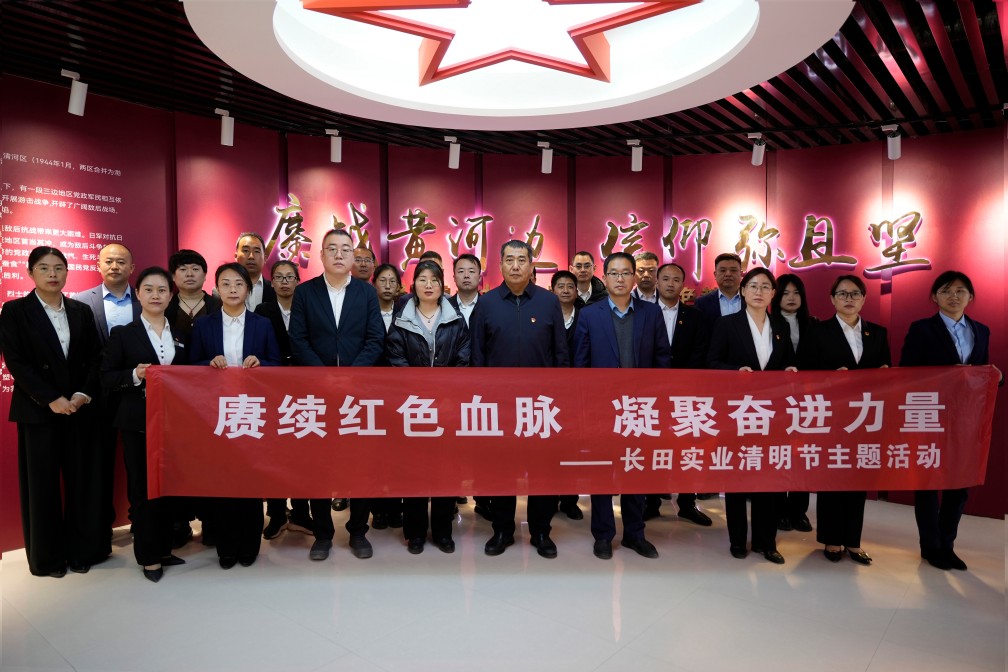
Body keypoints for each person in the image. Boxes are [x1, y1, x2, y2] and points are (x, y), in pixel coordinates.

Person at [0, 247, 107, 578]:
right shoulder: (15, 311)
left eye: (59, 268)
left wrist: (81, 394)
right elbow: (16, 361)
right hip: (38, 411)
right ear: (30, 272)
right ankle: (48, 559)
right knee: (42, 487)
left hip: (78, 408)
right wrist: (50, 398)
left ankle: (82, 552)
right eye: (44, 268)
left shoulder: (80, 310)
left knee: (82, 483)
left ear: (67, 272)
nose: (52, 274)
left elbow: (95, 357)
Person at [289, 228, 385, 561]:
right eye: (332, 248)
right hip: (317, 395)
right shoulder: (305, 293)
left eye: (346, 249)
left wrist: (350, 377)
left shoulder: (366, 293)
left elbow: (375, 339)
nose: (339, 254)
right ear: (322, 255)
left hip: (357, 395)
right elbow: (298, 339)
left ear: (353, 256)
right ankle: (323, 534)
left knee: (360, 465)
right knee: (318, 466)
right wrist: (326, 377)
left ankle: (358, 531)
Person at [470, 240, 569, 558]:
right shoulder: (486, 304)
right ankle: (502, 530)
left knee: (542, 471)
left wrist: (559, 398)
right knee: (501, 470)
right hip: (499, 407)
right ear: (500, 265)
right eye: (509, 259)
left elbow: (560, 354)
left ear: (531, 266)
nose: (515, 266)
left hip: (541, 406)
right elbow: (477, 356)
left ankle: (541, 531)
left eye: (521, 260)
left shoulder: (548, 302)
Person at [900, 270, 1002, 571]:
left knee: (960, 484)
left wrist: (997, 376)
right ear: (935, 297)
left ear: (970, 297)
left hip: (967, 418)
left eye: (960, 291)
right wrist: (946, 375)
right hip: (931, 415)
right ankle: (930, 546)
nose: (953, 296)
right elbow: (906, 372)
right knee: (928, 483)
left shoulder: (981, 330)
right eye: (946, 290)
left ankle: (947, 544)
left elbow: (983, 371)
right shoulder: (921, 329)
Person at [573, 252, 670, 559]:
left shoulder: (651, 313)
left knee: (634, 469)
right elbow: (580, 365)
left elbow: (662, 359)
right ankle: (603, 535)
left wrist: (657, 400)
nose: (619, 278)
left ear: (635, 278)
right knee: (602, 471)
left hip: (639, 409)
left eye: (625, 273)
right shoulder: (590, 315)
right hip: (601, 410)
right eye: (613, 273)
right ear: (604, 278)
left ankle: (634, 533)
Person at [100, 266, 188, 582]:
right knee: (143, 490)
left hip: (174, 425)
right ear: (137, 294)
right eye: (148, 289)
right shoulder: (123, 334)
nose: (155, 295)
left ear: (170, 295)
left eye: (162, 290)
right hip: (138, 424)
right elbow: (106, 377)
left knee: (168, 489)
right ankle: (149, 557)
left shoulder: (181, 335)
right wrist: (134, 375)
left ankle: (164, 548)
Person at [190, 263, 280, 569]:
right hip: (216, 413)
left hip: (251, 411)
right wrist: (208, 363)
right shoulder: (204, 325)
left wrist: (261, 364)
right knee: (222, 480)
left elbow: (277, 364)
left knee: (249, 479)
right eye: (225, 284)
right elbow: (189, 366)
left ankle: (249, 545)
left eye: (238, 284)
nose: (232, 289)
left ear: (248, 290)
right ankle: (226, 547)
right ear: (216, 289)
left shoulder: (261, 324)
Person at [708, 267, 796, 564]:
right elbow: (712, 363)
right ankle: (737, 539)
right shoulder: (726, 324)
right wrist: (736, 371)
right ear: (743, 291)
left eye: (765, 287)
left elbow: (787, 362)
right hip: (738, 413)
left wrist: (790, 370)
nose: (759, 292)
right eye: (753, 286)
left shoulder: (781, 326)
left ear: (773, 294)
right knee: (737, 478)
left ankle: (765, 541)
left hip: (771, 415)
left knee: (768, 479)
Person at [801, 275, 890, 565]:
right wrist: (829, 378)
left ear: (864, 298)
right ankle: (831, 539)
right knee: (833, 476)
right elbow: (805, 372)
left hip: (865, 416)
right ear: (832, 299)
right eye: (842, 294)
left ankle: (853, 540)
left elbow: (888, 372)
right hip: (831, 415)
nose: (849, 299)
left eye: (855, 294)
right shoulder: (818, 332)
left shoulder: (878, 333)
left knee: (857, 478)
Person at [385, 260, 470, 554]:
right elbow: (396, 360)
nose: (429, 285)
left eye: (434, 279)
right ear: (414, 286)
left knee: (446, 470)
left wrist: (445, 394)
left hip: (447, 408)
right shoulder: (401, 320)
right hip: (414, 408)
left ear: (442, 285)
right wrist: (420, 392)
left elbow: (463, 359)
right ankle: (416, 532)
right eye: (422, 279)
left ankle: (443, 532)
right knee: (415, 472)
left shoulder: (456, 320)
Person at [73, 243, 139, 536]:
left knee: (139, 463)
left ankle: (141, 521)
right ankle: (99, 528)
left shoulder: (145, 298)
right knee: (97, 463)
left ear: (131, 268)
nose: (114, 266)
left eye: (121, 262)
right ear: (98, 265)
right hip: (96, 395)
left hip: (137, 392)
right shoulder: (80, 302)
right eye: (109, 261)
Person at [643, 262, 713, 526]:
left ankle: (687, 503)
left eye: (676, 279)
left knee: (687, 448)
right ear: (657, 282)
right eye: (666, 279)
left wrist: (681, 382)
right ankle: (651, 502)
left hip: (687, 393)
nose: (670, 284)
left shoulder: (696, 317)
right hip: (652, 393)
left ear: (683, 285)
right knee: (653, 446)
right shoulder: (644, 313)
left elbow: (700, 352)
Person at [164, 248, 222, 547]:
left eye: (195, 268)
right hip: (173, 400)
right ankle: (178, 522)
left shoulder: (219, 306)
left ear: (205, 274)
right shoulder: (163, 305)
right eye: (183, 269)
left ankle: (212, 521)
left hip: (213, 398)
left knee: (212, 459)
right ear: (173, 276)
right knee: (177, 459)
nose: (189, 274)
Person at [256, 260, 313, 539]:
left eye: (290, 277)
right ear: (272, 282)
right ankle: (277, 514)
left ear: (298, 281)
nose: (285, 282)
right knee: (275, 454)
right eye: (279, 277)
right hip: (273, 390)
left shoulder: (308, 308)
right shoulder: (263, 310)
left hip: (304, 390)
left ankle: (302, 513)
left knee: (302, 455)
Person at [770, 273, 816, 533]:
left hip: (808, 401)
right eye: (785, 293)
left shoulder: (814, 325)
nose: (791, 298)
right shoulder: (767, 323)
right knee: (779, 455)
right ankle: (779, 511)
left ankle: (799, 511)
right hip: (777, 402)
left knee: (802, 457)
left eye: (796, 293)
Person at [369, 263, 404, 530]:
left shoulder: (406, 312)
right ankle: (377, 509)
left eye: (393, 281)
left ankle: (395, 507)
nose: (388, 285)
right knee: (374, 453)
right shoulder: (365, 311)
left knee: (397, 453)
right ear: (374, 284)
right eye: (383, 280)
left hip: (399, 391)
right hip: (371, 390)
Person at [550, 269, 584, 521]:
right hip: (550, 393)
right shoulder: (544, 315)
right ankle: (551, 498)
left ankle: (570, 499)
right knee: (551, 447)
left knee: (574, 447)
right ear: (552, 290)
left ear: (576, 291)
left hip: (578, 392)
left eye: (569, 286)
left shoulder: (586, 317)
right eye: (560, 286)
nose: (565, 290)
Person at [694, 252, 743, 322]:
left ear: (741, 274)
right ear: (715, 275)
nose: (728, 274)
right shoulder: (702, 303)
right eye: (723, 270)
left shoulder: (751, 300)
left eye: (733, 270)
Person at [231, 232, 274, 311]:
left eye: (256, 251)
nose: (251, 256)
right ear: (236, 256)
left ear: (265, 258)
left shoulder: (275, 290)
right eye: (246, 250)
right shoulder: (222, 291)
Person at [448, 253, 481, 326]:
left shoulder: (488, 306)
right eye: (461, 271)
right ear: (454, 278)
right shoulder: (446, 306)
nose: (466, 275)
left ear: (479, 277)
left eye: (471, 271)